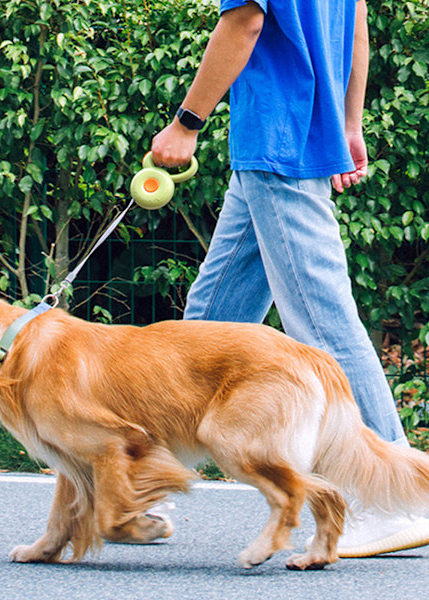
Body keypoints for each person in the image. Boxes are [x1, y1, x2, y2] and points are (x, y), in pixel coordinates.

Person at [151, 0, 429, 557]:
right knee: (210, 321)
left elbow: (245, 21)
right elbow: (356, 28)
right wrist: (350, 124)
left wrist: (185, 125)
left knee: (323, 322)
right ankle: (146, 483)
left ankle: (399, 501)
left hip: (276, 143)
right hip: (289, 145)